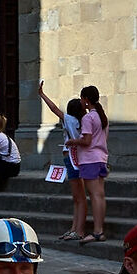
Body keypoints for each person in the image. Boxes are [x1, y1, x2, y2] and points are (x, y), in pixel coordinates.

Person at [37, 83, 89, 240]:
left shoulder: (70, 120)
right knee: (77, 197)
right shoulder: (82, 121)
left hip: (72, 157)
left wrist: (42, 94)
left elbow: (53, 108)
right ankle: (74, 228)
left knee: (79, 197)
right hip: (76, 157)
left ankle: (78, 230)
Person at [76, 84, 111, 242]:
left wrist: (72, 141)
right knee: (100, 195)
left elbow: (87, 140)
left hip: (90, 159)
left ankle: (97, 231)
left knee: (95, 195)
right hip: (101, 157)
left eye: (82, 98)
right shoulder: (102, 117)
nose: (81, 102)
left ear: (86, 99)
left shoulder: (88, 118)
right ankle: (99, 230)